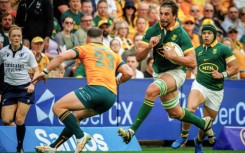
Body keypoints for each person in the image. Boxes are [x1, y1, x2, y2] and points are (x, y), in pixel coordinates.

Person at [118, 1, 215, 146]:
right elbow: (138, 57)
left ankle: (131, 131)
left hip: (177, 72)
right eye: (161, 14)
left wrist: (173, 57)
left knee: (151, 91)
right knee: (174, 113)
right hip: (159, 73)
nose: (162, 17)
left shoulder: (181, 34)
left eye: (166, 14)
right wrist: (149, 47)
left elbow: (193, 62)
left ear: (174, 16)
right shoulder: (153, 30)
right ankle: (203, 123)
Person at [33, 27, 133, 153]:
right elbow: (129, 73)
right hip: (111, 96)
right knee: (76, 117)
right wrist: (117, 81)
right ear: (102, 39)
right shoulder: (113, 53)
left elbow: (61, 57)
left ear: (87, 40)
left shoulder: (85, 48)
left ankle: (80, 136)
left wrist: (45, 72)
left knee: (58, 107)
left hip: (96, 89)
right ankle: (53, 147)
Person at [171, 24, 239, 152]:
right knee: (190, 108)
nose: (206, 35)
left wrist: (222, 74)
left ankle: (198, 141)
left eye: (209, 33)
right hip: (200, 85)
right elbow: (189, 65)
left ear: (214, 35)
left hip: (216, 91)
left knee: (206, 124)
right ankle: (183, 136)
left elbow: (235, 67)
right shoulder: (197, 50)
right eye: (204, 33)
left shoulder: (223, 49)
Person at [0, 25, 39, 153]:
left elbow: (37, 71)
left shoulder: (28, 53)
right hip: (9, 89)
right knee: (6, 120)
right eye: (14, 36)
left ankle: (20, 147)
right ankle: (20, 132)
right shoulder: (3, 52)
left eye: (18, 36)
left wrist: (33, 84)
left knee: (20, 119)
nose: (16, 38)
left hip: (24, 88)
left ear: (21, 37)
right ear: (9, 38)